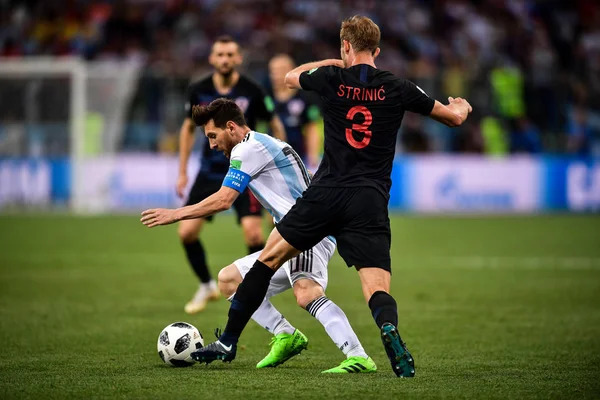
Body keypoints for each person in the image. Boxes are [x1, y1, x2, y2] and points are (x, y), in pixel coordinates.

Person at [190, 16, 472, 377]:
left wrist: (332, 63)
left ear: (345, 46)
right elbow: (452, 118)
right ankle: (388, 329)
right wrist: (461, 107)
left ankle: (229, 340)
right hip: (369, 198)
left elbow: (291, 78)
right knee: (376, 286)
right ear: (378, 50)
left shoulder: (331, 78)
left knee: (268, 259)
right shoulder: (399, 86)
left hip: (326, 193)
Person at [141, 98, 377, 374]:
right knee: (229, 280)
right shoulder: (262, 143)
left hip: (308, 234)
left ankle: (358, 355)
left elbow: (224, 200)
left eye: (213, 136)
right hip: (291, 235)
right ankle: (286, 335)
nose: (212, 145)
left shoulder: (248, 148)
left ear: (231, 127)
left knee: (307, 293)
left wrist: (176, 214)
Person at [177, 35, 286, 314]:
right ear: (212, 59)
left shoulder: (253, 90)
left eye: (230, 55)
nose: (225, 59)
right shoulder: (198, 89)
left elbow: (274, 124)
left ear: (238, 58)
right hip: (209, 172)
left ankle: (258, 287)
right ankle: (206, 285)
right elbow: (188, 129)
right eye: (220, 55)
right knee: (187, 232)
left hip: (244, 171)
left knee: (253, 235)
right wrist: (182, 172)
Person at [268, 54, 322, 170]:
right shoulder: (266, 97)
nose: (276, 75)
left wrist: (313, 156)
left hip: (299, 157)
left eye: (281, 70)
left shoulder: (305, 98)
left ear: (291, 71)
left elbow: (311, 127)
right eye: (273, 71)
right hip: (271, 159)